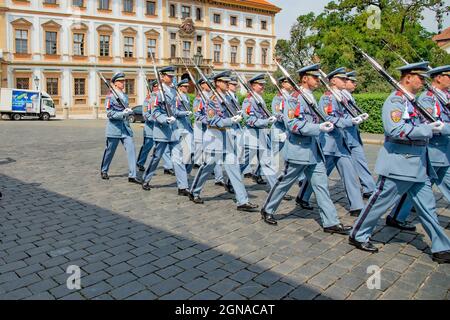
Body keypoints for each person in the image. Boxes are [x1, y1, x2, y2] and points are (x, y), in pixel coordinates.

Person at [349, 62, 450, 264]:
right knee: (378, 203)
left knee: (428, 208)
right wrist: (429, 129)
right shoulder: (395, 101)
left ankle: (441, 247)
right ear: (408, 78)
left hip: (419, 165)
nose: (423, 82)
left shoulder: (412, 101)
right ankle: (358, 234)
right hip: (399, 164)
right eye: (420, 78)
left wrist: (430, 127)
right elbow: (395, 130)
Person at [260, 64, 351, 235]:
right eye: (314, 77)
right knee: (284, 183)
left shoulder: (309, 97)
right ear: (304, 78)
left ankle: (331, 222)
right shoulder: (294, 99)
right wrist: (318, 128)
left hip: (314, 152)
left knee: (321, 186)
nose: (318, 80)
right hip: (298, 150)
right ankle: (268, 209)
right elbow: (293, 124)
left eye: (318, 77)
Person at [386, 65, 450, 232]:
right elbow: (430, 126)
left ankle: (397, 216)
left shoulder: (445, 96)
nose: (423, 82)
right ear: (439, 78)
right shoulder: (428, 99)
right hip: (434, 151)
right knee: (416, 188)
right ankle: (396, 216)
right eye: (448, 76)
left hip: (445, 152)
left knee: (420, 188)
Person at [296, 68, 365, 216]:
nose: (345, 82)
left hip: (341, 142)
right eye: (343, 79)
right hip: (328, 143)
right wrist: (350, 122)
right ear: (333, 80)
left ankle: (356, 205)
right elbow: (329, 119)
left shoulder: (342, 97)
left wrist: (354, 119)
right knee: (318, 175)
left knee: (350, 173)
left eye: (346, 79)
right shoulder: (327, 98)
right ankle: (303, 196)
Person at [189, 71, 258, 212]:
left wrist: (237, 116)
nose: (228, 84)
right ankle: (194, 191)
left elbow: (233, 114)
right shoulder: (213, 100)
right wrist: (229, 121)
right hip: (215, 138)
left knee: (234, 170)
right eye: (225, 82)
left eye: (228, 82)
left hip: (227, 138)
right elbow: (211, 120)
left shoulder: (228, 98)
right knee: (207, 167)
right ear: (218, 83)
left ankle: (242, 201)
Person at [141, 66, 190, 196]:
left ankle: (183, 186)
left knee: (178, 158)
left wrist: (182, 113)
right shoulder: (156, 94)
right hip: (162, 130)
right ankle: (146, 179)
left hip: (173, 131)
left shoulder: (174, 91)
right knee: (156, 157)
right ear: (162, 77)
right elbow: (155, 112)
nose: (172, 77)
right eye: (169, 76)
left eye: (173, 76)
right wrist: (164, 119)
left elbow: (174, 110)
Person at [100, 72, 140, 184]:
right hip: (114, 129)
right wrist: (123, 113)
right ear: (115, 83)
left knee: (131, 149)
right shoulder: (110, 97)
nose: (123, 83)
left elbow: (125, 110)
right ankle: (104, 170)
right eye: (121, 81)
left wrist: (128, 112)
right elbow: (110, 114)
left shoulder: (125, 96)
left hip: (125, 128)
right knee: (110, 151)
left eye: (123, 81)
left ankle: (132, 175)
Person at [342, 71, 376, 199]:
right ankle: (305, 193)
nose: (355, 84)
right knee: (328, 166)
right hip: (343, 135)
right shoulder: (338, 96)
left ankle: (369, 187)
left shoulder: (349, 96)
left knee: (361, 160)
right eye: (352, 81)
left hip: (353, 134)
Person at [192, 77, 226, 186]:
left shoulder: (215, 96)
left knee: (217, 156)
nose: (208, 84)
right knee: (204, 151)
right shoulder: (199, 98)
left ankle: (218, 177)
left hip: (215, 128)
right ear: (202, 85)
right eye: (206, 83)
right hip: (204, 127)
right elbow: (197, 114)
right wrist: (207, 120)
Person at [136, 80, 173, 173]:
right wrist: (157, 119)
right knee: (147, 146)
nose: (157, 88)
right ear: (152, 88)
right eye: (155, 86)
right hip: (150, 128)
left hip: (160, 127)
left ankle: (168, 167)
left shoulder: (162, 98)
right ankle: (140, 162)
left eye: (159, 86)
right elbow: (145, 115)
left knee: (164, 148)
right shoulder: (148, 99)